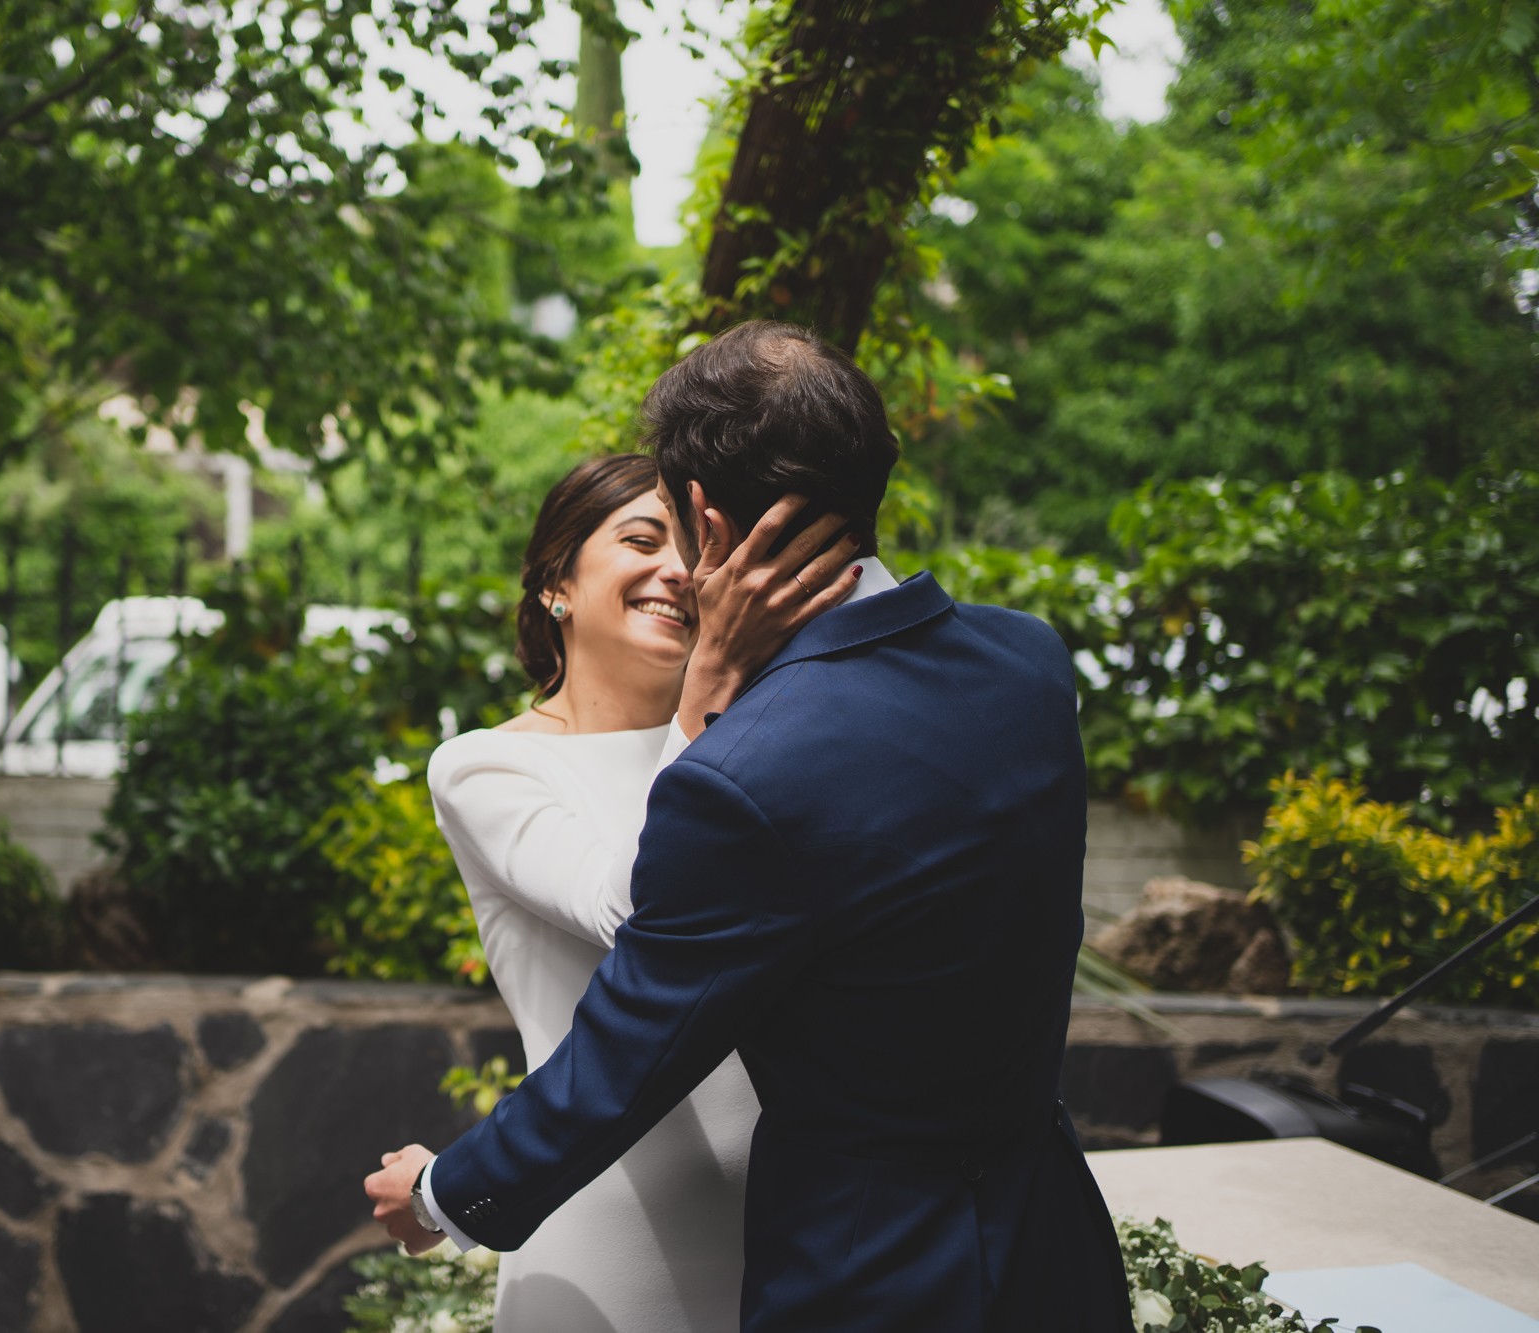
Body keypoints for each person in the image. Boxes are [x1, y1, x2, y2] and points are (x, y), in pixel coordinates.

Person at [367, 321, 1133, 1332]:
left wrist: (443, 1194)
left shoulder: (742, 767)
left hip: (870, 1279)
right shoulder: (1027, 665)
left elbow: (630, 1042)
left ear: (701, 516)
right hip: (1048, 1258)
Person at [424, 452, 862, 1332]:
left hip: (795, 1238)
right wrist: (710, 690)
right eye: (640, 538)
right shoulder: (486, 764)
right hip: (604, 1245)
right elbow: (640, 908)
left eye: (695, 545)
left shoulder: (768, 742)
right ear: (558, 583)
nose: (676, 567)